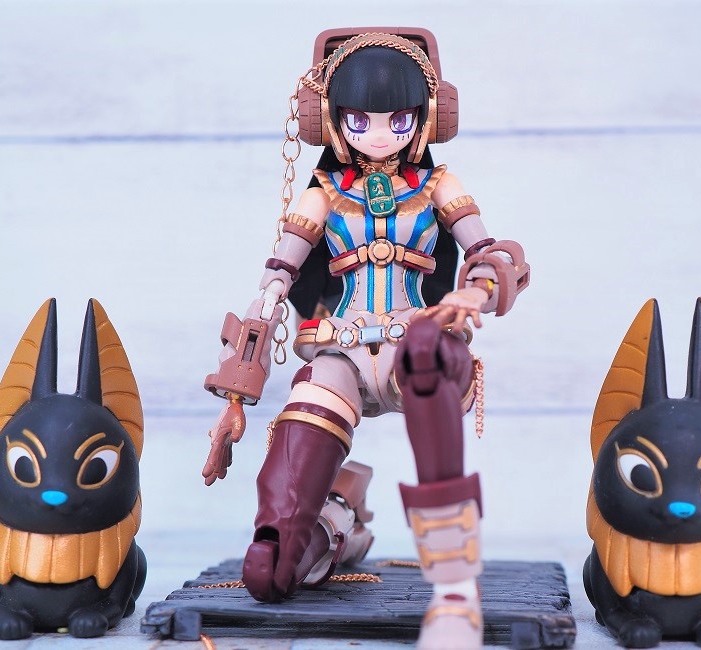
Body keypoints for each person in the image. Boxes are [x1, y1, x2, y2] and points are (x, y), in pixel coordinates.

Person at [202, 29, 530, 649]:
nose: (380, 135)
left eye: (398, 120)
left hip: (415, 345)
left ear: (427, 118)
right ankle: (328, 523)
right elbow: (276, 279)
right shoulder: (323, 193)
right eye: (360, 120)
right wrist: (238, 389)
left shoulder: (440, 185)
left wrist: (476, 289)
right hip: (340, 351)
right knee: (269, 570)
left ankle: (454, 584)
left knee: (429, 359)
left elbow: (494, 254)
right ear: (330, 119)